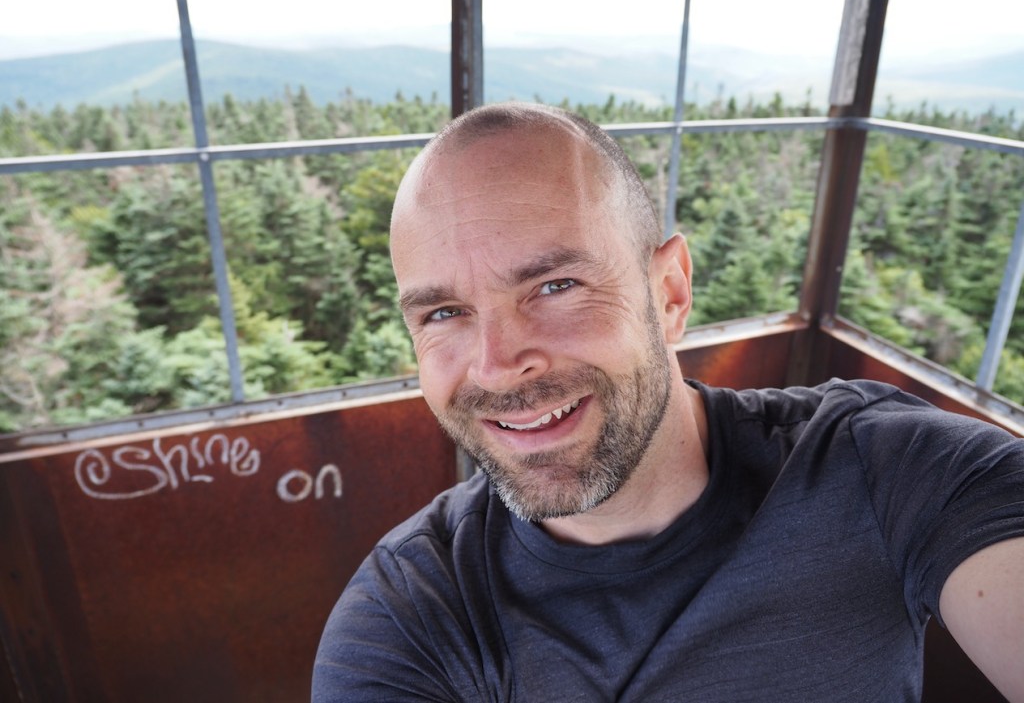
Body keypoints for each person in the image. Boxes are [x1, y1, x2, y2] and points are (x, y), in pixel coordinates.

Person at [313, 102, 1024, 702]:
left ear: (670, 294)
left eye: (555, 286)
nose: (498, 366)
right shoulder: (409, 620)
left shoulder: (885, 468)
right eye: (443, 313)